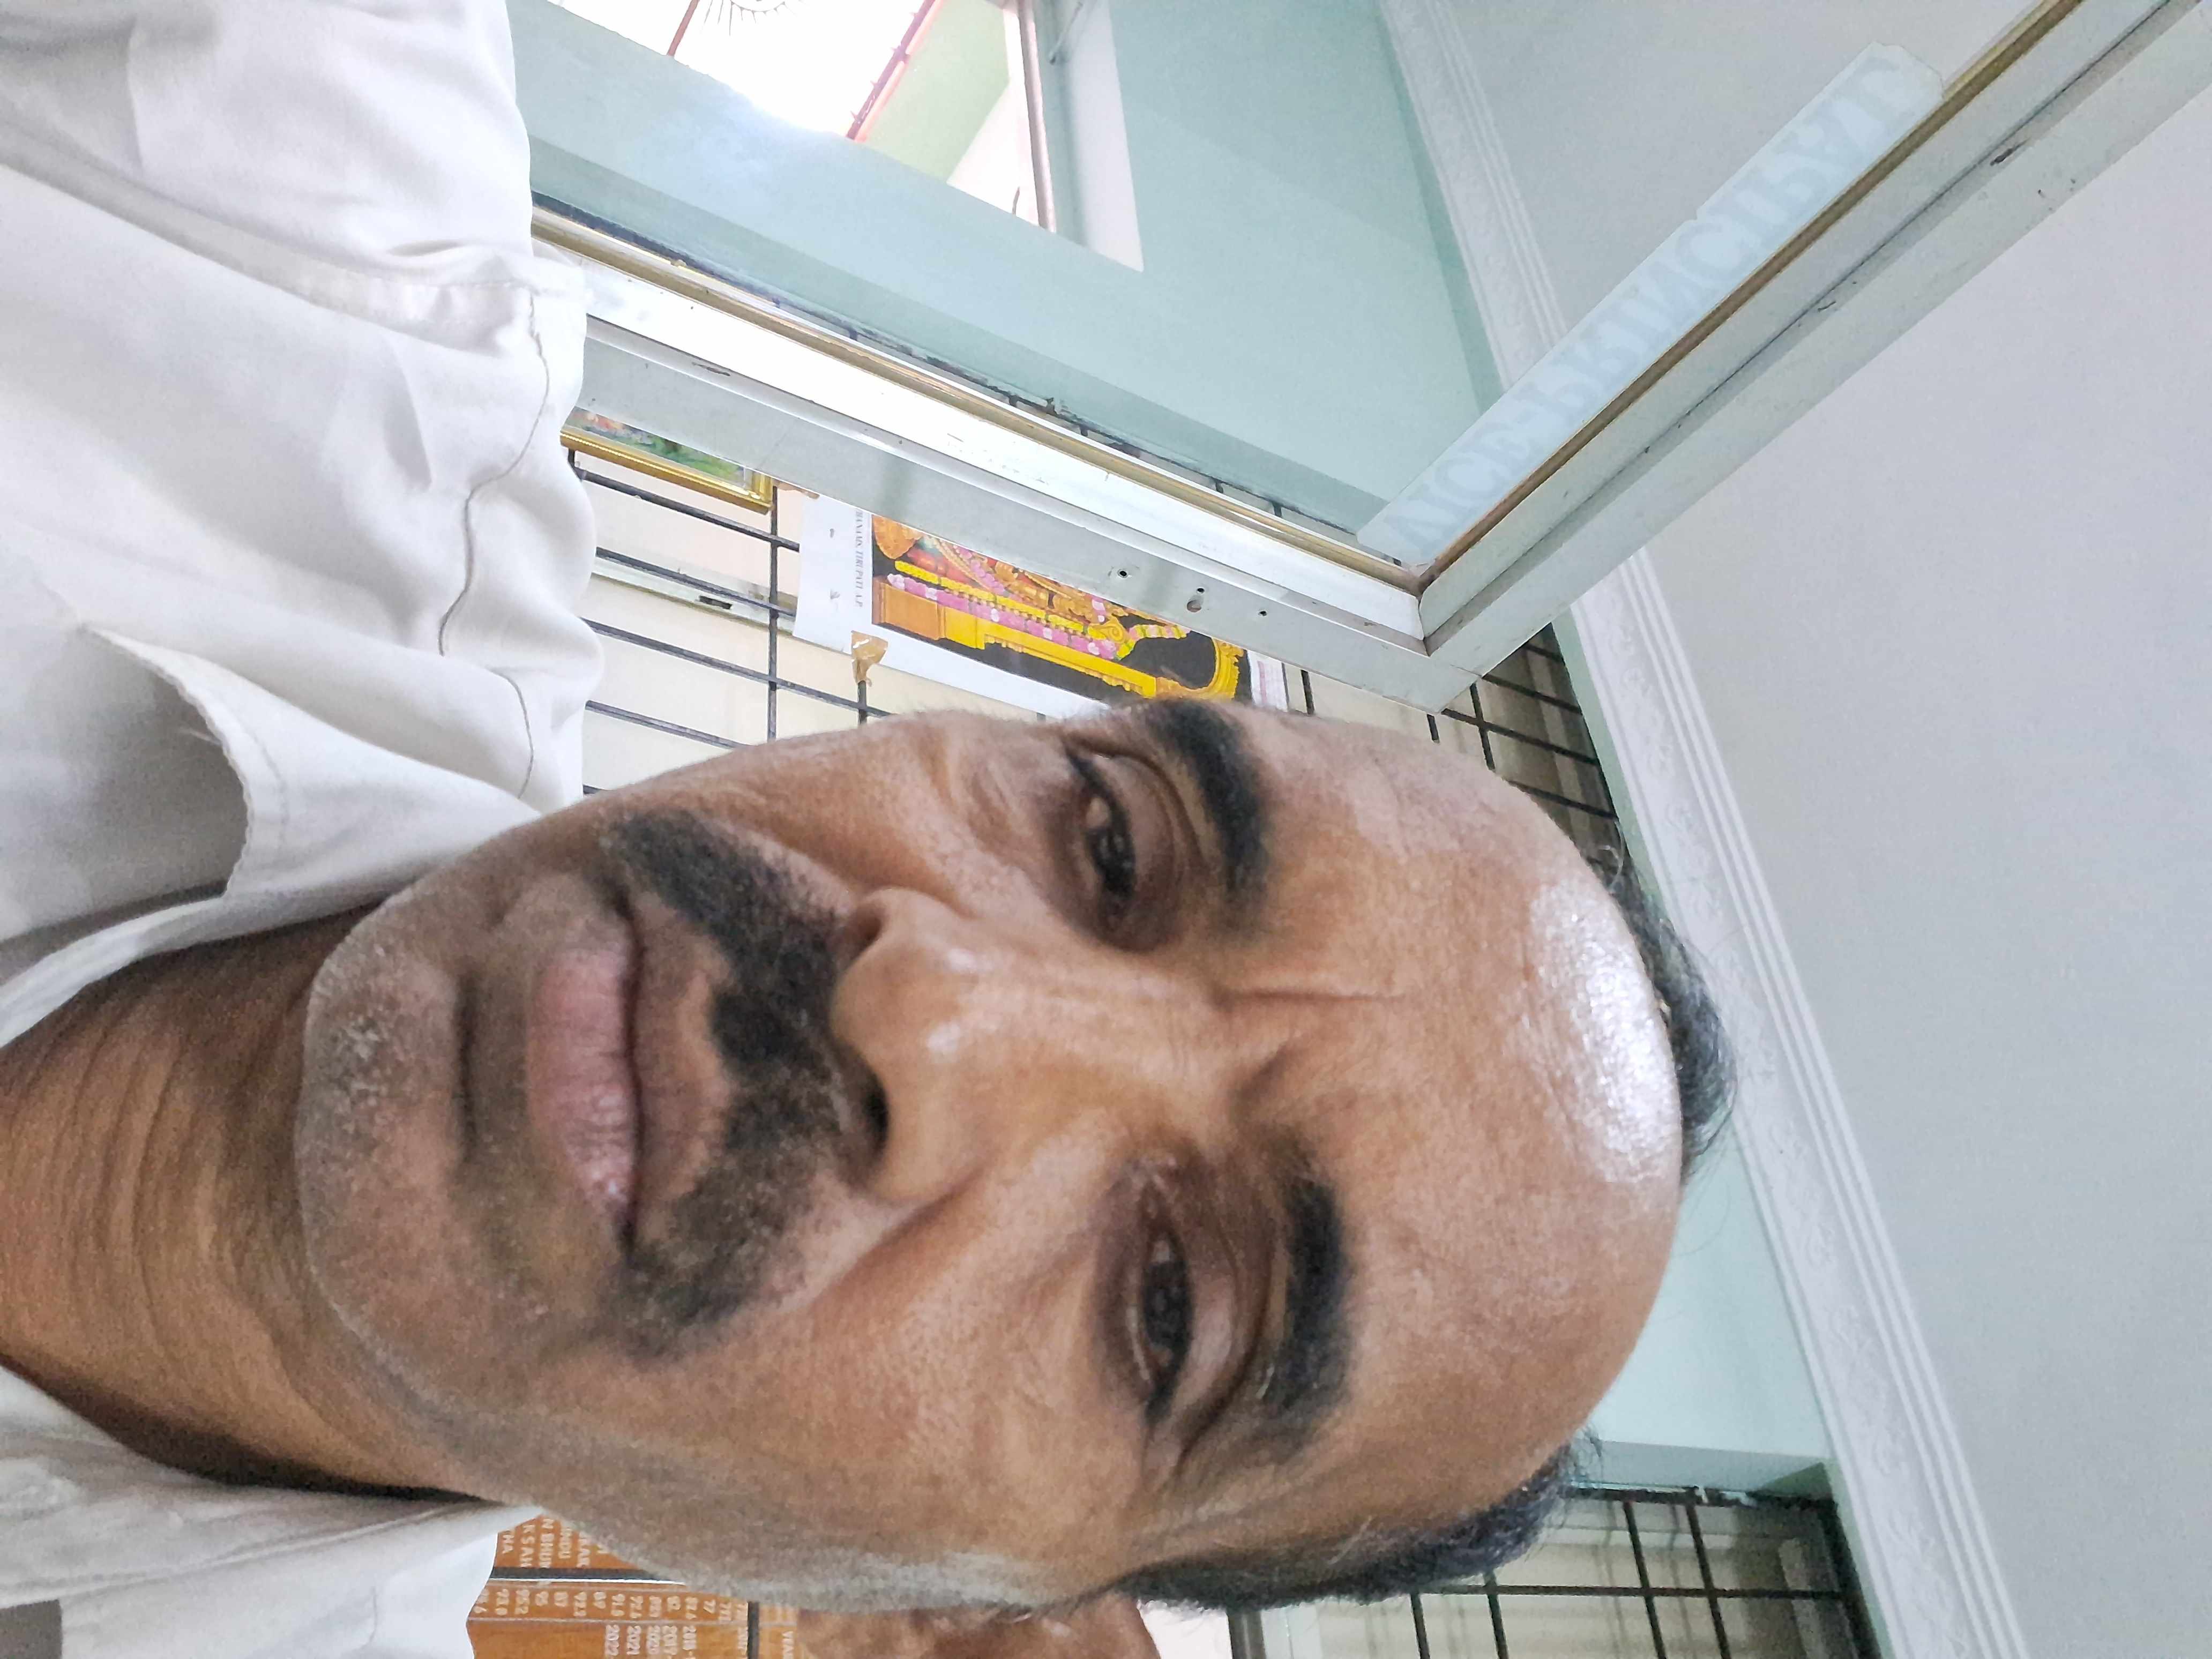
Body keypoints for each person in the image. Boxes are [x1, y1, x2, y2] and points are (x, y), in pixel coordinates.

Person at [0, 1, 1727, 1655]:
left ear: (985, 1612)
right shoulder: (281, 227)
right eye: (1111, 846)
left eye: (1167, 1307)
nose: (925, 1007)